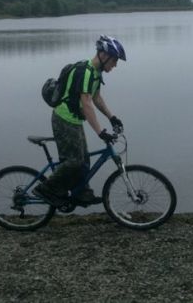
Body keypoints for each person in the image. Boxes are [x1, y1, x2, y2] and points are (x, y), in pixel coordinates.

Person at [33, 35, 126, 207]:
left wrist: (112, 117)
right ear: (104, 56)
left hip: (74, 120)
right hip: (64, 118)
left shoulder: (96, 73)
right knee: (73, 161)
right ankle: (45, 189)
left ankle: (82, 193)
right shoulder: (86, 71)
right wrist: (100, 132)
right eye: (114, 61)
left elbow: (97, 98)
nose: (115, 65)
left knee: (83, 160)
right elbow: (86, 103)